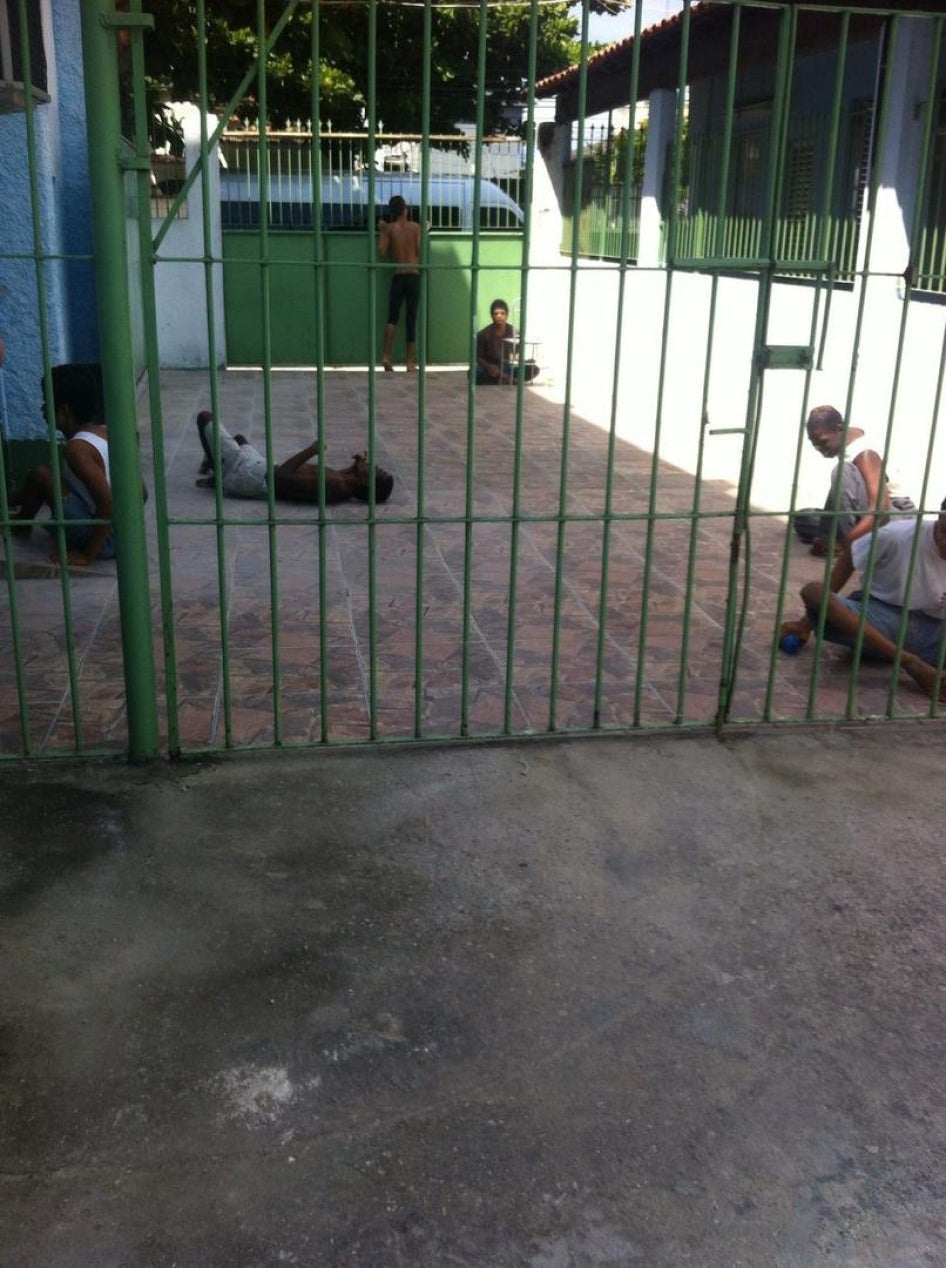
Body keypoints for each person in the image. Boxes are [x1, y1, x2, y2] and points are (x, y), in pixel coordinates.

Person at [779, 496, 946, 701]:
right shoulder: (897, 535)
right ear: (940, 518)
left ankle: (904, 657)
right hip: (882, 620)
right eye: (945, 532)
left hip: (935, 632)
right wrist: (804, 625)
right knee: (815, 594)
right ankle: (907, 660)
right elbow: (850, 556)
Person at [9, 363, 146, 565]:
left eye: (46, 402)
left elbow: (106, 502)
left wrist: (87, 554)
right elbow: (143, 493)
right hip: (127, 537)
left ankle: (18, 518)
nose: (42, 408)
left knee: (42, 476)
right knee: (41, 477)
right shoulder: (106, 432)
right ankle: (19, 519)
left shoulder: (77, 449)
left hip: (106, 542)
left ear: (64, 410)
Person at [194, 411, 394, 504]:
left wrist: (312, 450)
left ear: (366, 481)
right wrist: (355, 466)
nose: (373, 464)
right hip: (258, 468)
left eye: (376, 470)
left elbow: (280, 477)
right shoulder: (344, 484)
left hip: (250, 475)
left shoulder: (333, 484)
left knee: (205, 418)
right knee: (239, 438)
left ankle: (220, 476)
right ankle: (217, 465)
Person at [792, 405, 911, 557]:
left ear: (839, 429)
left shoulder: (865, 454)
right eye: (813, 443)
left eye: (823, 442)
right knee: (803, 518)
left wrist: (844, 543)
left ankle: (847, 543)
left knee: (841, 471)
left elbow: (881, 510)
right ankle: (849, 539)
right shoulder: (848, 441)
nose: (818, 448)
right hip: (867, 513)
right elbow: (839, 496)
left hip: (896, 516)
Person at [378, 194, 422, 373]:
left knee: (392, 317)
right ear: (406, 209)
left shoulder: (390, 229)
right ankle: (410, 362)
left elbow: (381, 251)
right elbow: (419, 250)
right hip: (413, 275)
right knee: (411, 318)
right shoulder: (415, 228)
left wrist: (382, 230)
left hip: (398, 275)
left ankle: (386, 355)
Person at [475, 298, 538, 386]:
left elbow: (516, 356)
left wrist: (525, 362)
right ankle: (507, 379)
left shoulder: (514, 332)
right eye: (496, 314)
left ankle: (502, 379)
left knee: (534, 369)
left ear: (507, 315)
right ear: (492, 315)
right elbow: (478, 357)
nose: (499, 316)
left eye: (502, 313)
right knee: (474, 373)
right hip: (491, 368)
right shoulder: (484, 334)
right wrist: (488, 367)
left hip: (507, 367)